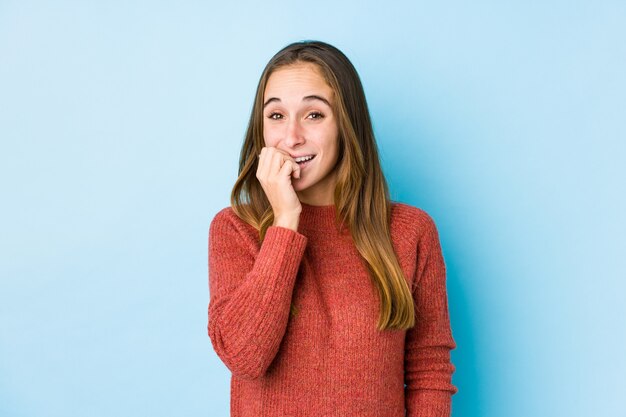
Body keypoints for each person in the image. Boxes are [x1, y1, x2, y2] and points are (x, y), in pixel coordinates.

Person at [207, 40, 458, 417]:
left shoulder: (411, 231)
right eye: (276, 116)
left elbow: (428, 373)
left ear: (346, 123)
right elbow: (244, 357)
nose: (292, 138)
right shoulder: (234, 230)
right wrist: (285, 223)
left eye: (313, 115)